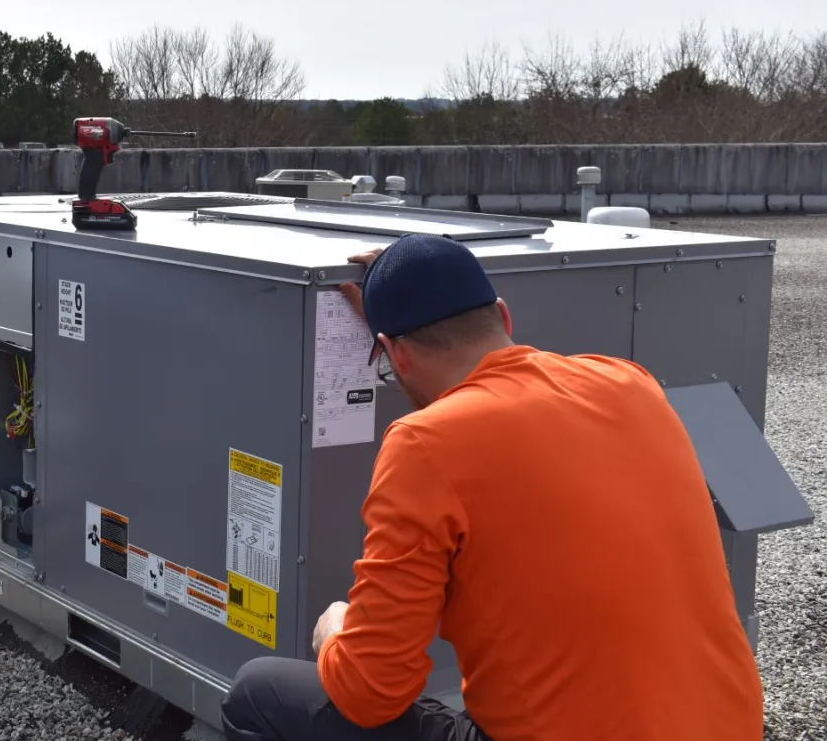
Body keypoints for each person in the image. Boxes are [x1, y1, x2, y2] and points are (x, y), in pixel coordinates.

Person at [220, 233, 764, 741]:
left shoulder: (425, 443)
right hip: (729, 725)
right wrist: (406, 293)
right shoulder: (630, 382)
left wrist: (333, 632)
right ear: (502, 314)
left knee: (257, 690)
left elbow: (370, 693)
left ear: (393, 354)